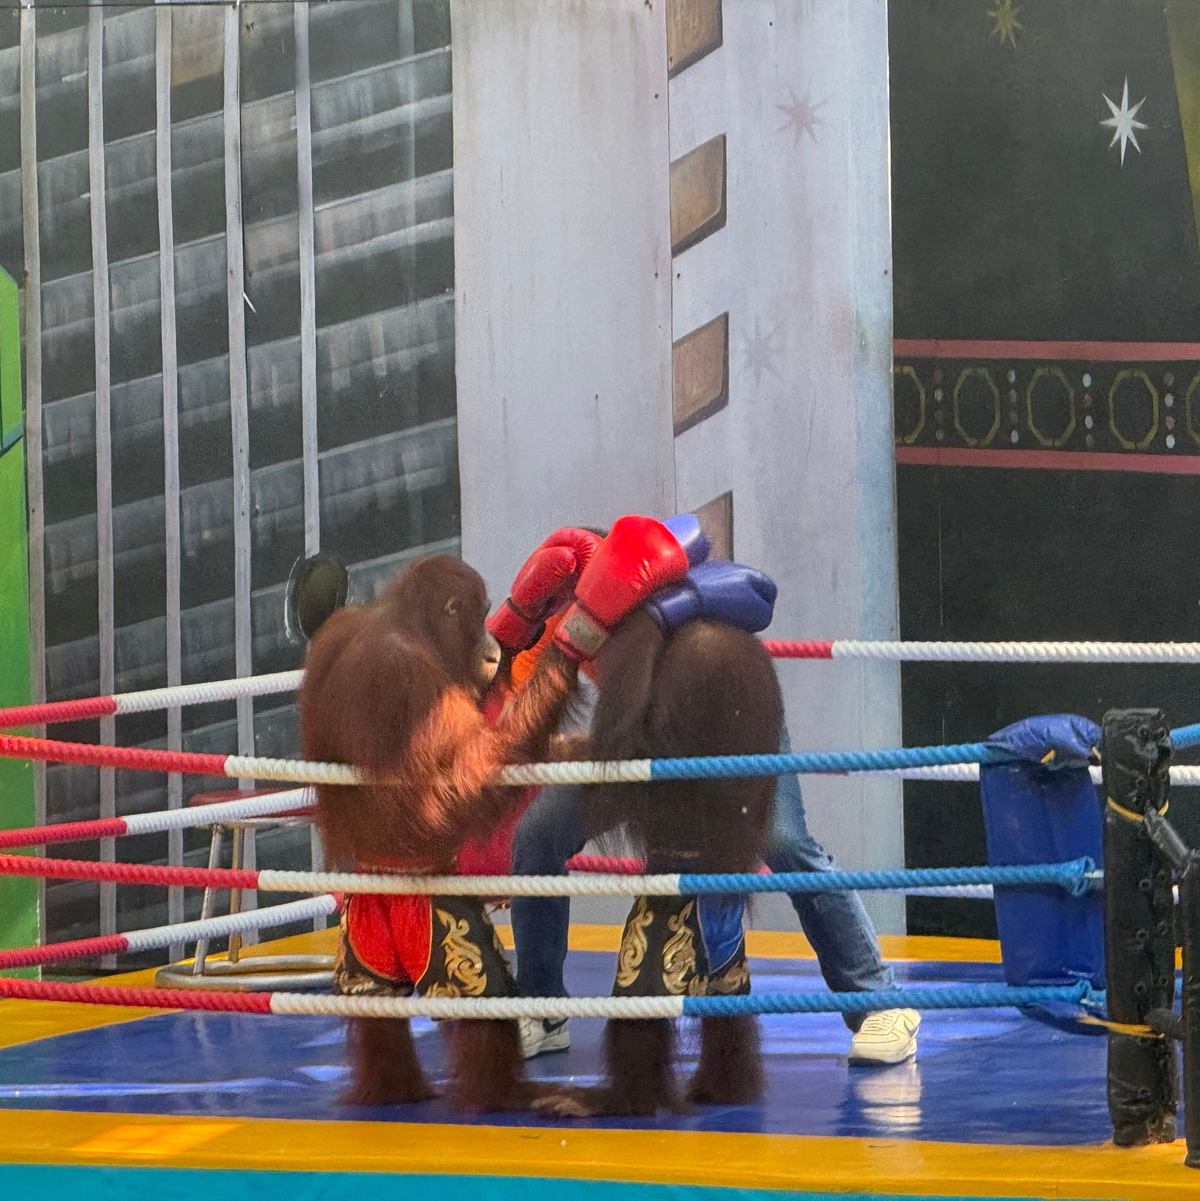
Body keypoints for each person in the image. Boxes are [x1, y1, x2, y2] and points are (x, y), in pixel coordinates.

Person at [509, 616, 921, 1069]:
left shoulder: (659, 603)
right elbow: (518, 719)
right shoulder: (552, 614)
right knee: (538, 835)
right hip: (637, 740)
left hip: (734, 713)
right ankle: (540, 1004)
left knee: (784, 842)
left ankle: (878, 1001)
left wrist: (582, 748)